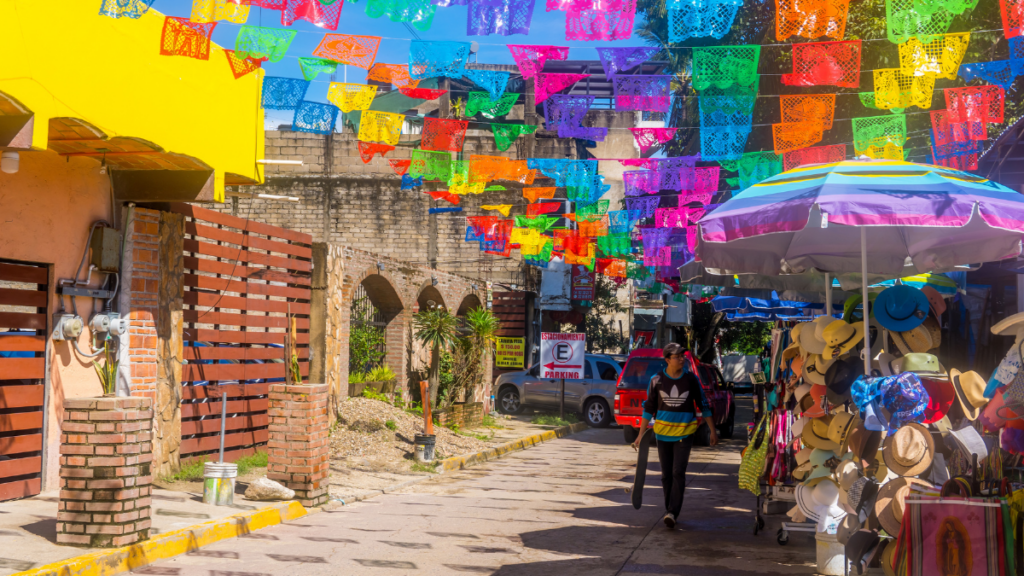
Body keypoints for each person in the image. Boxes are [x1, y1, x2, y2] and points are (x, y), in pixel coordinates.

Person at [632, 343, 718, 529]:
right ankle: (669, 510)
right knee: (666, 476)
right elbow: (648, 409)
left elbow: (703, 405)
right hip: (662, 435)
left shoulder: (691, 380)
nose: (682, 358)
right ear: (667, 360)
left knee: (678, 472)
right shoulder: (656, 381)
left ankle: (672, 511)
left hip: (684, 434)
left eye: (682, 355)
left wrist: (712, 429)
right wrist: (640, 435)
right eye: (678, 356)